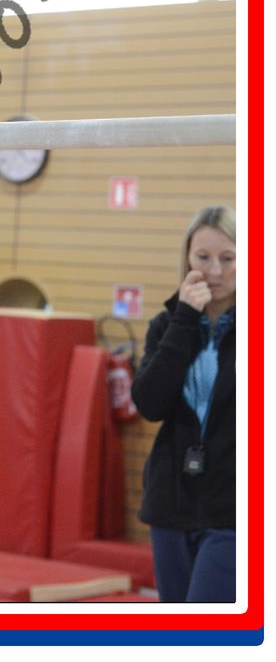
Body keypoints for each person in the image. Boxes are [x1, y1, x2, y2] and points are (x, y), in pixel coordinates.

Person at [132, 205, 236, 602]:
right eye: (203, 257)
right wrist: (185, 319)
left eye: (228, 258)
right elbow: (150, 404)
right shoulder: (168, 324)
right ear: (187, 259)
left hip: (234, 509)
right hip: (171, 503)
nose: (215, 271)